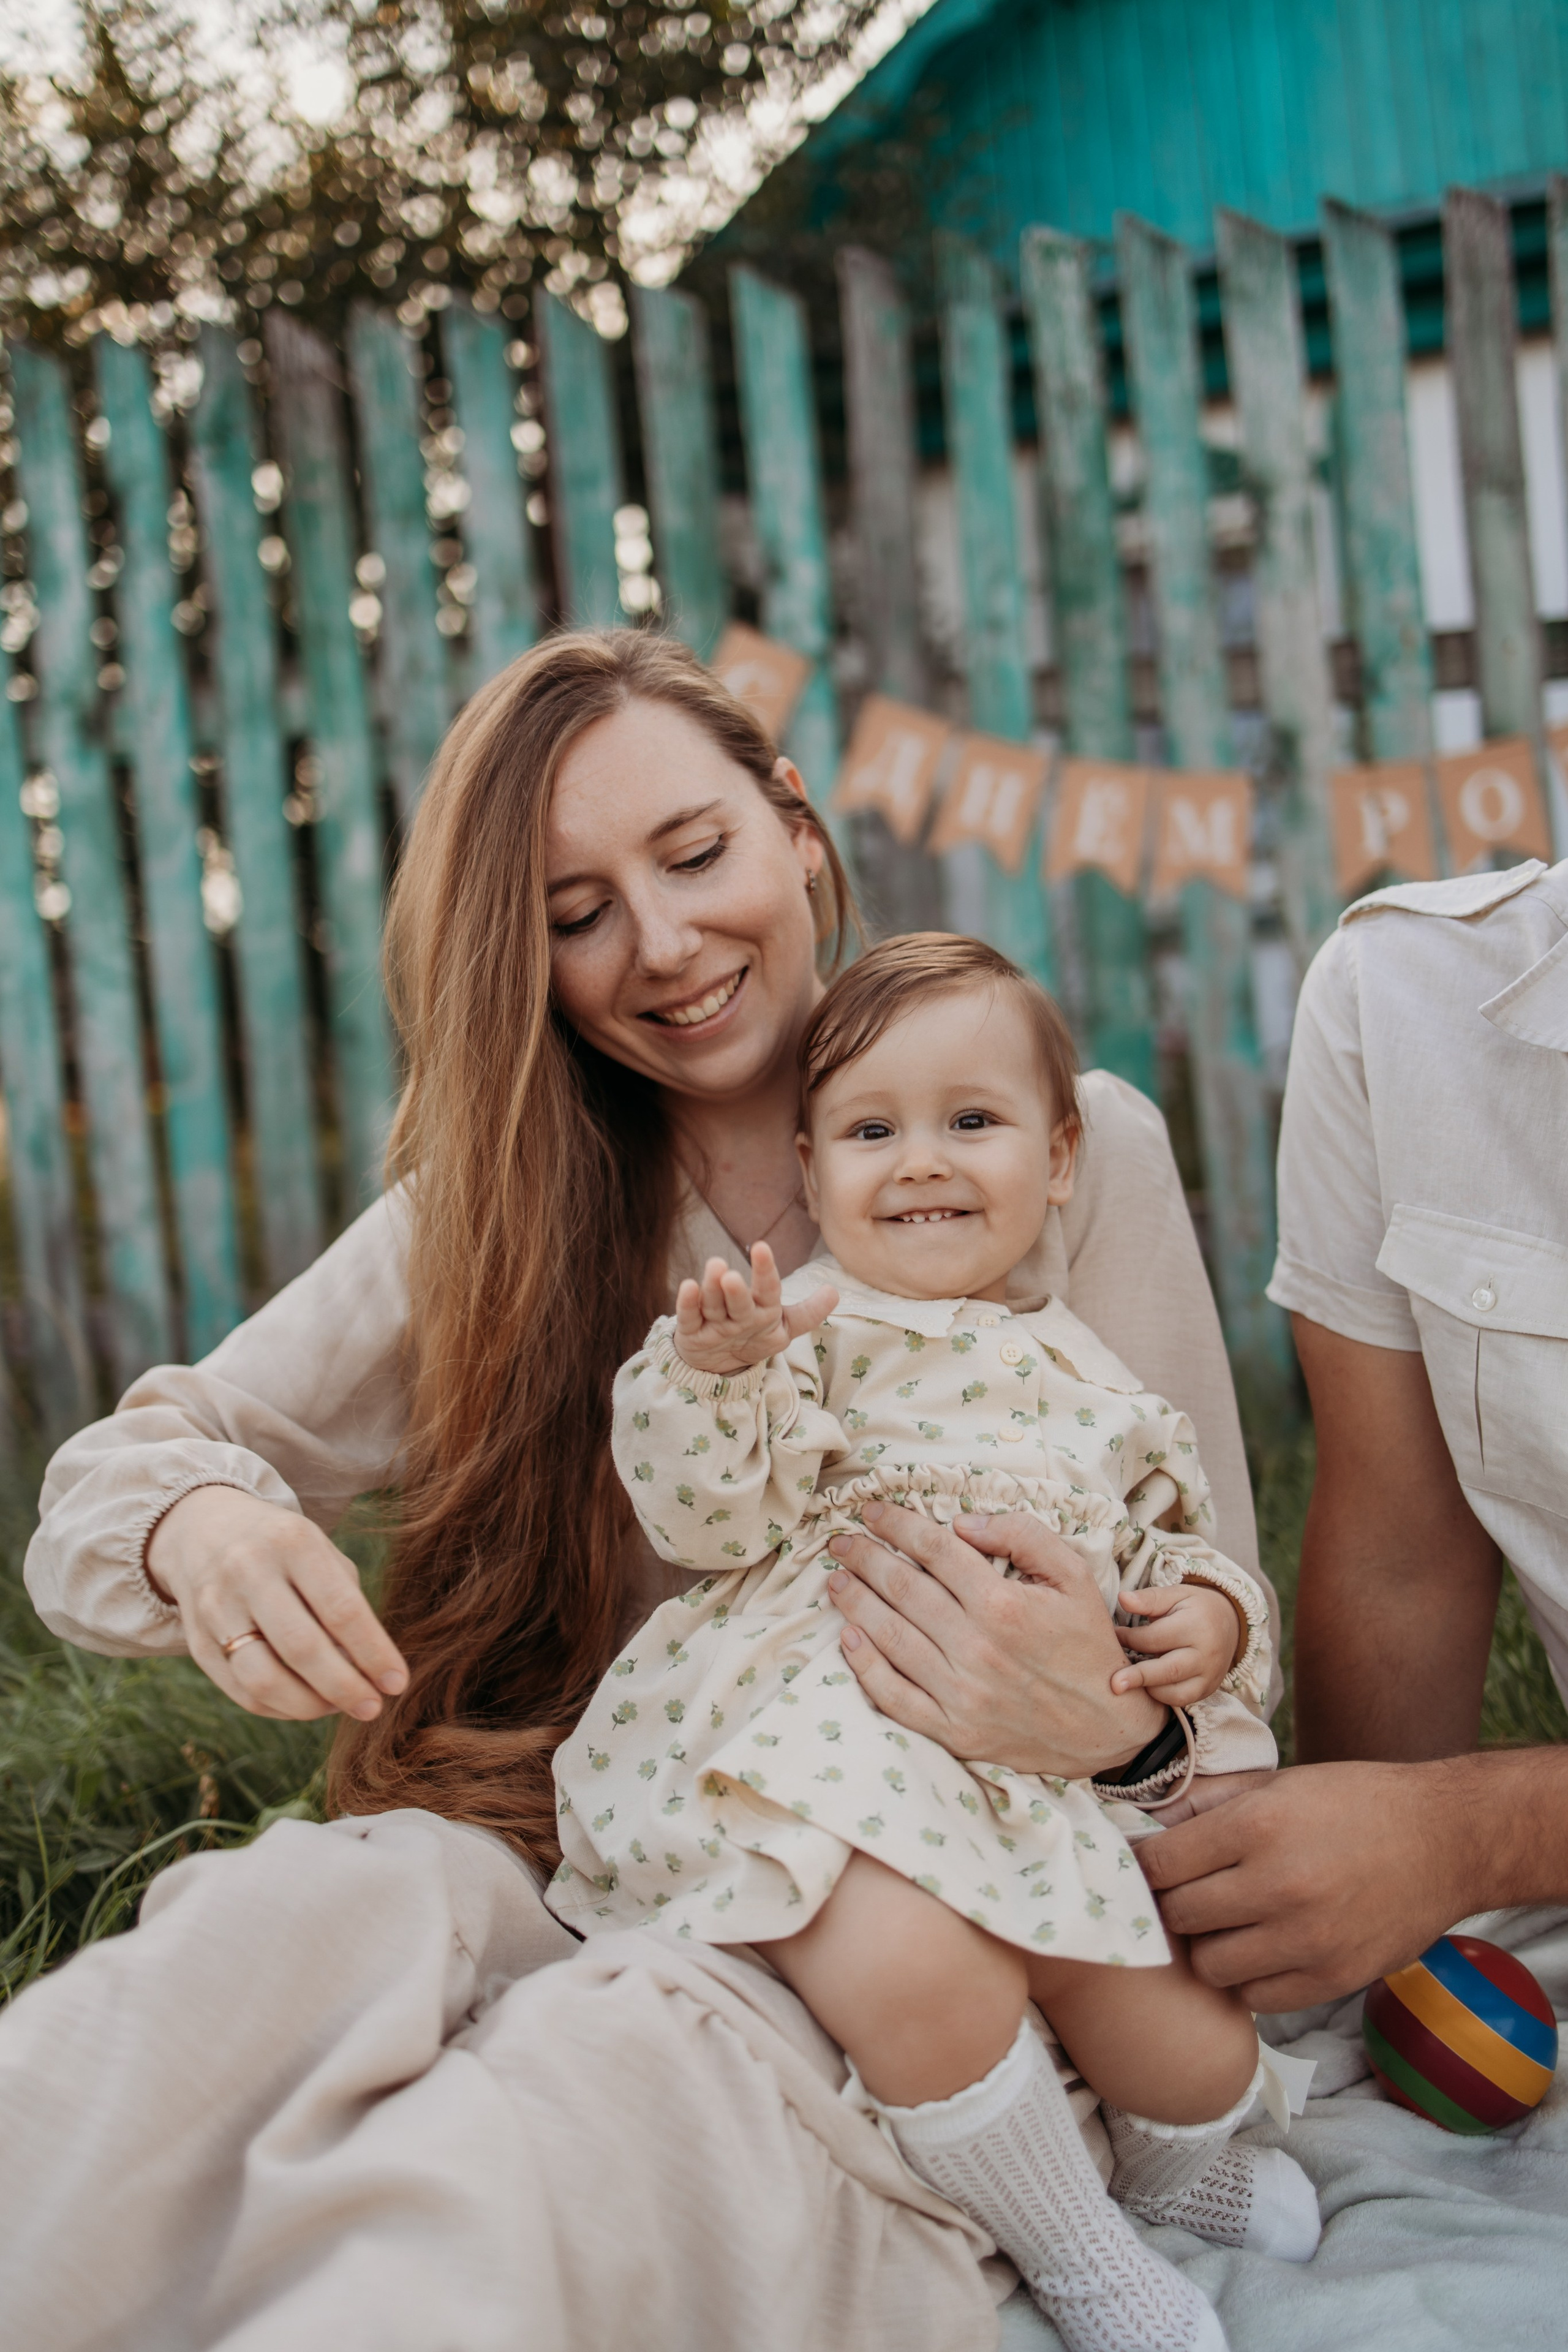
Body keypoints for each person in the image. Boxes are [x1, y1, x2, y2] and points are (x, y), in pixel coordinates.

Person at [12, 631, 1272, 2345]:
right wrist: (205, 1521)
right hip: (579, 1834)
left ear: (798, 831)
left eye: (695, 857)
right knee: (256, 1946)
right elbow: (111, 1480)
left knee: (533, 2144)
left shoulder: (1048, 1142)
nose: (664, 946)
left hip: (901, 1915)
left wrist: (1124, 1727)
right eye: (574, 909)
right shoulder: (502, 1210)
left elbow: (1218, 1638)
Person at [553, 934, 1316, 2352]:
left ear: (1061, 1156)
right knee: (915, 1972)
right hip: (827, 1730)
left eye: (969, 1122)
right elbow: (710, 1509)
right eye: (868, 1131)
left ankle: (1169, 2164)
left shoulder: (1093, 1380)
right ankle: (1079, 2257)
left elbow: (1169, 1548)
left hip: (1026, 1769)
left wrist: (1207, 1618)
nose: (917, 1162)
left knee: (1198, 2048)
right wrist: (713, 1378)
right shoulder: (813, 1335)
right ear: (809, 1164)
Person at [1142, 860, 1568, 2015]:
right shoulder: (1406, 994)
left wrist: (1471, 1837)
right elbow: (1402, 1550)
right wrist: (1336, 1915)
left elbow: (1460, 1840)